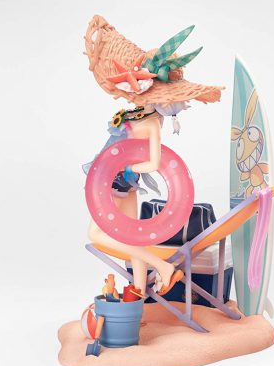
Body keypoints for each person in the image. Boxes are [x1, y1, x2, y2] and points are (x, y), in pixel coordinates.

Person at [83, 15, 223, 296]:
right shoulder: (137, 114)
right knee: (134, 237)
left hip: (118, 180)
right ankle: (138, 290)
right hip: (117, 180)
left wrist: (128, 169)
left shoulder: (151, 124)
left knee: (96, 234)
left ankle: (162, 267)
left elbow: (154, 163)